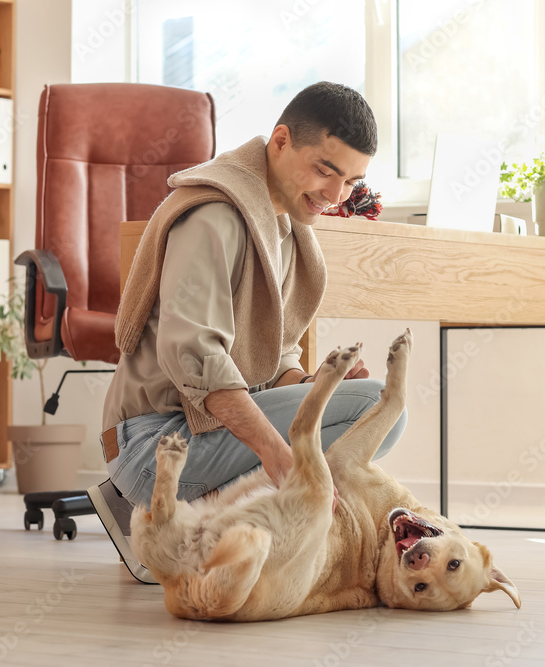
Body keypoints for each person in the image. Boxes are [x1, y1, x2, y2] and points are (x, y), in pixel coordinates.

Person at [88, 82, 407, 582]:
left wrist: (313, 387)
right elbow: (193, 353)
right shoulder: (217, 216)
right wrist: (280, 455)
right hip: (154, 444)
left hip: (197, 435)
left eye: (350, 180)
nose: (335, 195)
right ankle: (180, 526)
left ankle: (204, 527)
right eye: (325, 169)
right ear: (280, 141)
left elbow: (274, 357)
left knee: (379, 409)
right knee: (373, 408)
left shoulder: (281, 229)